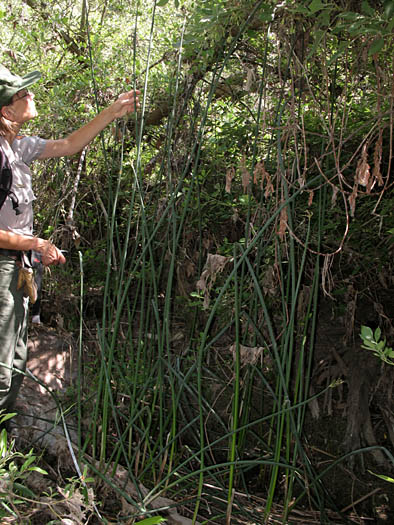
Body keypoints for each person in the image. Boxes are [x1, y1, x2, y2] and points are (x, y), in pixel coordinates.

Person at [0, 65, 139, 412]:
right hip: (3, 270)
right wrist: (35, 244)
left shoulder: (19, 146)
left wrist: (114, 110)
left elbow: (68, 144)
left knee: (15, 361)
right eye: (22, 94)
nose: (30, 95)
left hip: (18, 268)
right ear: (6, 111)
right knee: (2, 372)